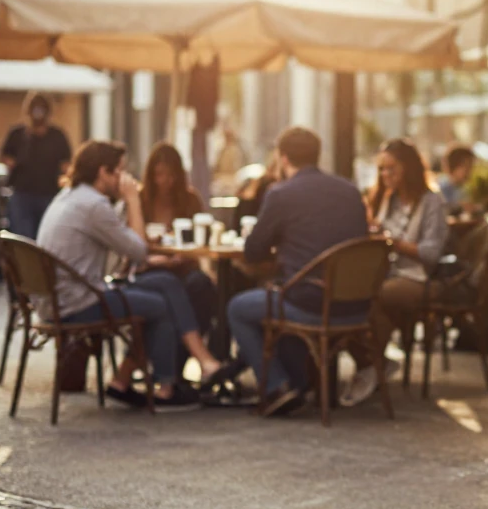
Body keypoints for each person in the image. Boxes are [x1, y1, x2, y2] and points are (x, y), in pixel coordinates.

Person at [36, 141, 215, 410]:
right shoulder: (95, 205)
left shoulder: (68, 195)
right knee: (160, 304)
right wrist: (132, 199)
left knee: (166, 284)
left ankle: (123, 380)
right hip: (78, 303)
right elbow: (139, 249)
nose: (124, 178)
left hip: (57, 299)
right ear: (103, 172)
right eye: (119, 171)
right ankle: (168, 388)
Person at [227, 127, 370, 417]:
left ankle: (277, 387)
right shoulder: (350, 191)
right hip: (358, 305)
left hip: (312, 304)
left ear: (282, 158)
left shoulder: (281, 194)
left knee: (238, 308)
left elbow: (253, 251)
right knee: (287, 292)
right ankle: (301, 382)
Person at [341, 138, 448, 407]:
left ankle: (370, 365)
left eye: (392, 169)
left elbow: (431, 253)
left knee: (375, 298)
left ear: (408, 169)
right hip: (386, 274)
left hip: (420, 277)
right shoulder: (383, 198)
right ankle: (374, 363)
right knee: (347, 296)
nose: (385, 175)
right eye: (381, 169)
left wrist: (392, 242)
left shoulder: (431, 201)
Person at [135, 143, 221, 380]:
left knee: (203, 287)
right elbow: (132, 247)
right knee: (170, 290)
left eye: (171, 175)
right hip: (150, 269)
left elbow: (200, 245)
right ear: (151, 175)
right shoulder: (140, 201)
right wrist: (156, 259)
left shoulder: (189, 199)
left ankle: (179, 364)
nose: (166, 182)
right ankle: (187, 364)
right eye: (160, 174)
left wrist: (185, 256)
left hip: (182, 268)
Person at [0, 93, 72, 239]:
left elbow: (66, 165)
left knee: (46, 238)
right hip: (22, 194)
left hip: (49, 194)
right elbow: (4, 157)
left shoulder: (57, 135)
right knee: (23, 239)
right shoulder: (18, 134)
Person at [435, 144, 475, 214]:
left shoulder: (465, 188)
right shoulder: (440, 187)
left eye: (471, 166)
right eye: (466, 166)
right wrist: (461, 207)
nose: (469, 170)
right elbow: (443, 209)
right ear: (454, 165)